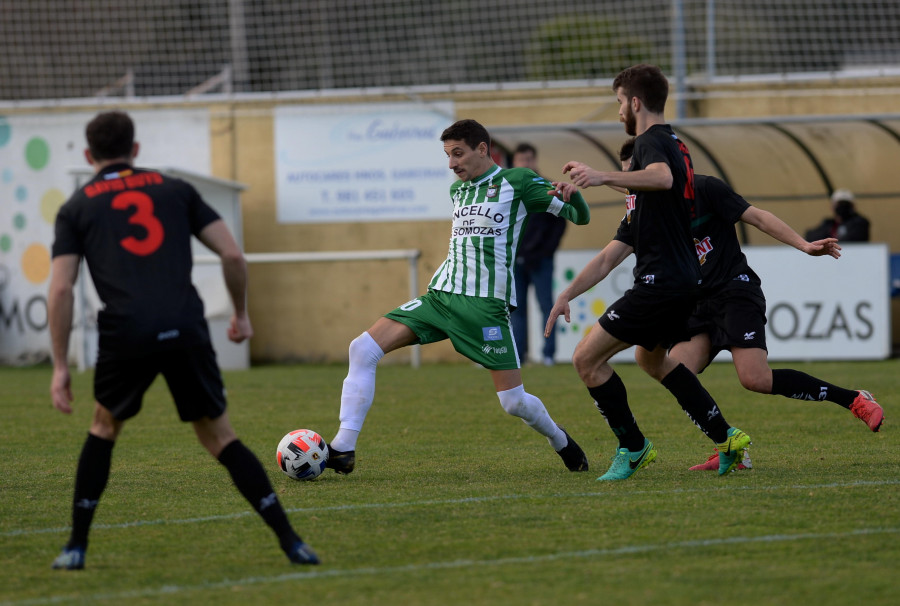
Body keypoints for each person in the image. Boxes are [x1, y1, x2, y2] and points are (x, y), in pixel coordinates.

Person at [48, 111, 318, 570]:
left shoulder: (76, 207)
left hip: (125, 330)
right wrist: (240, 314)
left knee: (104, 428)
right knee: (220, 436)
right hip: (185, 326)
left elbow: (59, 288)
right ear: (135, 150)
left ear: (90, 155)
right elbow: (232, 254)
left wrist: (59, 366)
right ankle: (291, 542)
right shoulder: (175, 189)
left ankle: (75, 547)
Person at [325, 119, 592, 476]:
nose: (452, 163)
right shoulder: (459, 191)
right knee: (362, 348)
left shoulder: (520, 182)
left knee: (513, 402)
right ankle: (343, 448)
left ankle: (561, 441)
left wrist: (576, 197)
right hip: (440, 298)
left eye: (458, 153)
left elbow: (579, 217)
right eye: (448, 155)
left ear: (483, 149)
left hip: (484, 308)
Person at [603, 139, 885, 469]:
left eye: (633, 173)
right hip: (692, 301)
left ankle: (853, 399)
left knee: (755, 379)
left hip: (733, 292)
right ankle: (730, 447)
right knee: (679, 373)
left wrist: (805, 246)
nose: (629, 183)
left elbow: (759, 217)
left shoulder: (706, 189)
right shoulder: (644, 214)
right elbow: (613, 251)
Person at [546, 64, 750, 480]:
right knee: (651, 360)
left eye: (620, 101)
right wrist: (568, 293)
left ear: (635, 102)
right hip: (682, 282)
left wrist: (600, 175)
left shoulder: (652, 141)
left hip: (662, 283)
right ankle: (727, 437)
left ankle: (634, 447)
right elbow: (609, 256)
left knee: (586, 360)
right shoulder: (656, 170)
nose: (619, 109)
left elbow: (661, 175)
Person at [509, 143, 568, 366]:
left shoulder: (549, 188)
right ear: (514, 163)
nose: (525, 164)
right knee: (517, 310)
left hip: (541, 260)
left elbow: (560, 224)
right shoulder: (507, 191)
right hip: (515, 262)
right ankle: (519, 357)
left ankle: (548, 355)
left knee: (547, 307)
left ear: (535, 161)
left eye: (529, 159)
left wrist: (546, 251)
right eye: (521, 160)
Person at [805, 189, 870, 242]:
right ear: (832, 206)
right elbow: (811, 237)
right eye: (839, 204)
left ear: (853, 206)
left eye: (846, 204)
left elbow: (854, 239)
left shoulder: (860, 223)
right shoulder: (828, 223)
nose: (843, 207)